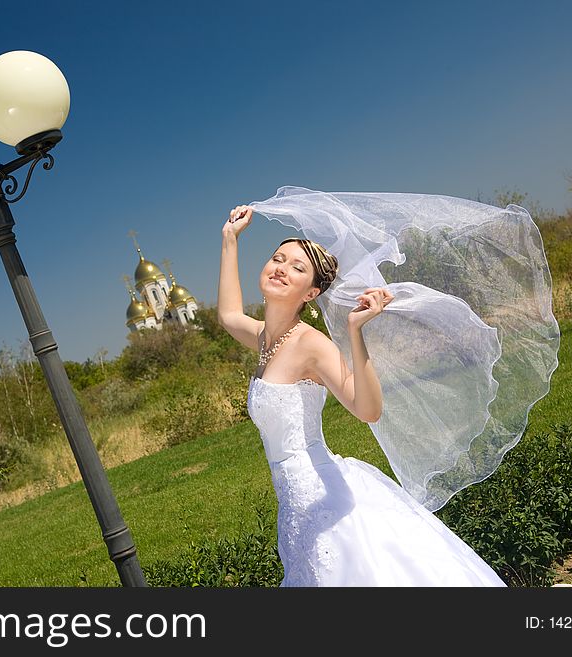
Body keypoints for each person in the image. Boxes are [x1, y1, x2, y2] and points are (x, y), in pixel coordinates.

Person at [218, 203, 508, 586]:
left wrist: (355, 332)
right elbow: (228, 315)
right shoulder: (265, 340)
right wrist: (229, 240)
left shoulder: (310, 344)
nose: (282, 269)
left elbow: (368, 410)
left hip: (325, 497)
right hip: (295, 504)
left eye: (297, 268)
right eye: (278, 258)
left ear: (312, 293)